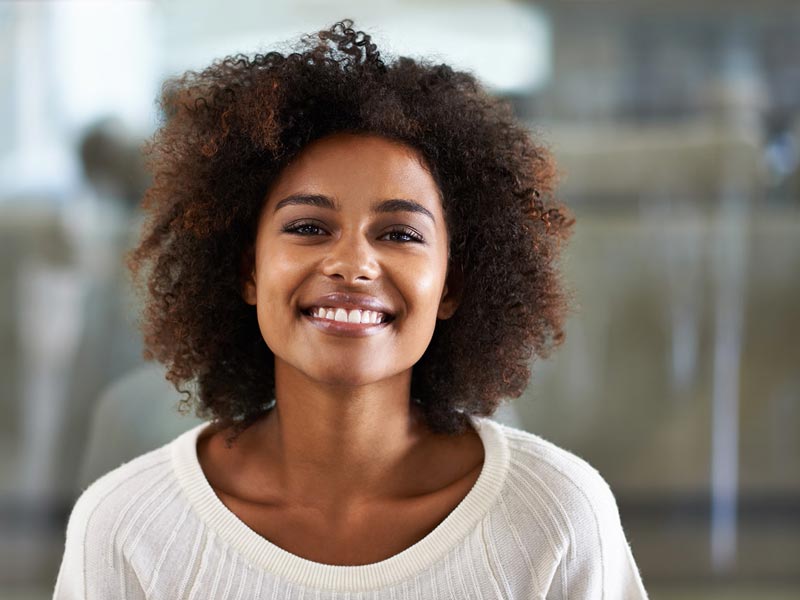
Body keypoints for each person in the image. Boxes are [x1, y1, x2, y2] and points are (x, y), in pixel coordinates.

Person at [53, 20, 649, 599]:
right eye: (309, 226)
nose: (353, 264)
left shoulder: (557, 517)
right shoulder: (126, 527)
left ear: (451, 286)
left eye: (400, 234)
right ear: (248, 272)